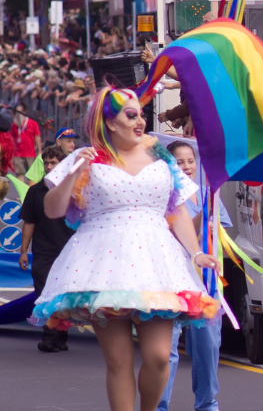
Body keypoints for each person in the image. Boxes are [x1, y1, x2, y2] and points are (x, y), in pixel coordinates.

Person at [32, 87, 219, 411]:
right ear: (110, 122)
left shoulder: (161, 158)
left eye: (141, 115)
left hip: (156, 263)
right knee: (119, 362)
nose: (140, 121)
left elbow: (176, 210)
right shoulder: (85, 158)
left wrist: (195, 253)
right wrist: (73, 173)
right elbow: (52, 209)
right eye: (130, 115)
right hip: (103, 265)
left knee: (159, 357)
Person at [157, 141, 233, 411]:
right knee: (166, 349)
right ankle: (159, 405)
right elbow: (179, 232)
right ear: (168, 165)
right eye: (180, 161)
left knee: (208, 346)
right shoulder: (162, 196)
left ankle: (207, 403)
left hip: (204, 281)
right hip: (171, 280)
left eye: (191, 161)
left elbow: (221, 232)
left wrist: (213, 225)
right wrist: (203, 215)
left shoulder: (207, 193)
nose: (187, 167)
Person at [17, 145, 70, 353]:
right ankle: (49, 337)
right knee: (45, 295)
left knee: (64, 297)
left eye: (53, 163)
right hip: (43, 253)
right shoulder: (35, 191)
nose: (49, 167)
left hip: (69, 252)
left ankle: (61, 336)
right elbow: (29, 222)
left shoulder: (74, 190)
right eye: (46, 163)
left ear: (63, 165)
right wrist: (23, 251)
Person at [10, 102, 41, 178]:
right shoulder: (14, 124)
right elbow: (12, 138)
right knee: (19, 174)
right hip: (17, 154)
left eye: (20, 112)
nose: (18, 114)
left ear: (24, 112)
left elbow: (37, 137)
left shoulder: (33, 123)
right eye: (16, 112)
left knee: (31, 176)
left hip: (30, 153)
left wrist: (39, 151)